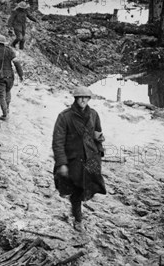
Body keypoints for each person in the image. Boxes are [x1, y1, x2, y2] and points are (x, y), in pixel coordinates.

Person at [52, 87, 106, 231]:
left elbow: (98, 133)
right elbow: (57, 142)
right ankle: (78, 219)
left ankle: (77, 209)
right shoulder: (65, 117)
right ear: (75, 98)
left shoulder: (93, 114)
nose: (83, 100)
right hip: (73, 160)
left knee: (90, 186)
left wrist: (99, 151)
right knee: (76, 189)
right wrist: (62, 163)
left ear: (89, 99)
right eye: (80, 97)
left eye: (86, 97)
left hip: (91, 159)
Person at [0, 34, 23, 120]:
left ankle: (5, 114)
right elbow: (17, 63)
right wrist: (21, 75)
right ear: (4, 43)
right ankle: (7, 108)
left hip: (0, 77)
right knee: (8, 91)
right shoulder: (10, 51)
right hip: (10, 76)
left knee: (1, 95)